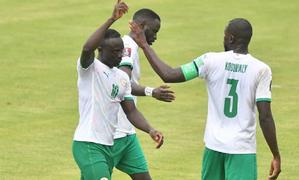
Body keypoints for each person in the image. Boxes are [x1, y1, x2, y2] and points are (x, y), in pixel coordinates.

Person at [129, 18, 281, 180]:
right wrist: (276, 155)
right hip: (242, 150)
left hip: (213, 147)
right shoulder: (261, 70)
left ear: (230, 39)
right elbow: (265, 117)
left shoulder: (209, 60)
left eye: (225, 35)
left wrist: (144, 45)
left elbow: (168, 74)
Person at [72, 1, 163, 179]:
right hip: (89, 144)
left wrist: (150, 130)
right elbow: (86, 48)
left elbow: (131, 111)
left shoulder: (121, 78)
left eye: (121, 52)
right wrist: (111, 19)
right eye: (115, 52)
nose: (120, 56)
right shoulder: (90, 69)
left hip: (110, 143)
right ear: (101, 50)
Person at [112, 8, 170, 180]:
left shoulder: (133, 47)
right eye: (154, 31)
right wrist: (152, 91)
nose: (155, 37)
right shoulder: (127, 47)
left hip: (127, 133)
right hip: (114, 134)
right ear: (142, 27)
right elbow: (123, 82)